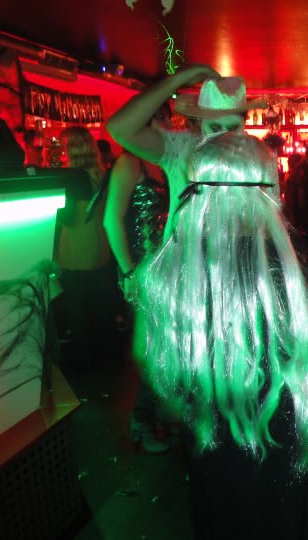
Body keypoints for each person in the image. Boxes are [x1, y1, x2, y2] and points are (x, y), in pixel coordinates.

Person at [132, 132, 308, 538]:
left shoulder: (170, 268)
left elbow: (150, 359)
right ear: (267, 189)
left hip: (207, 427)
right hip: (281, 429)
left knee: (221, 514)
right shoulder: (298, 267)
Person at [106, 65, 266, 242]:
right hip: (182, 256)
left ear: (245, 124)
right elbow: (119, 129)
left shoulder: (258, 158)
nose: (223, 136)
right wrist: (176, 80)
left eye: (232, 127)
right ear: (201, 123)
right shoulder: (181, 148)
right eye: (214, 127)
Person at [102, 102, 173, 454]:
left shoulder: (161, 161)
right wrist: (129, 271)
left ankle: (161, 418)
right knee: (154, 349)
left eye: (168, 118)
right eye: (162, 118)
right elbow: (111, 220)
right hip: (142, 270)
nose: (168, 125)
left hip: (167, 268)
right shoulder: (130, 162)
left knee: (167, 346)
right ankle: (142, 424)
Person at [55, 127, 117, 363]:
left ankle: (85, 359)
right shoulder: (101, 173)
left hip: (77, 249)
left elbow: (68, 217)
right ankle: (109, 356)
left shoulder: (72, 177)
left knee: (77, 307)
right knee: (101, 303)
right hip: (100, 246)